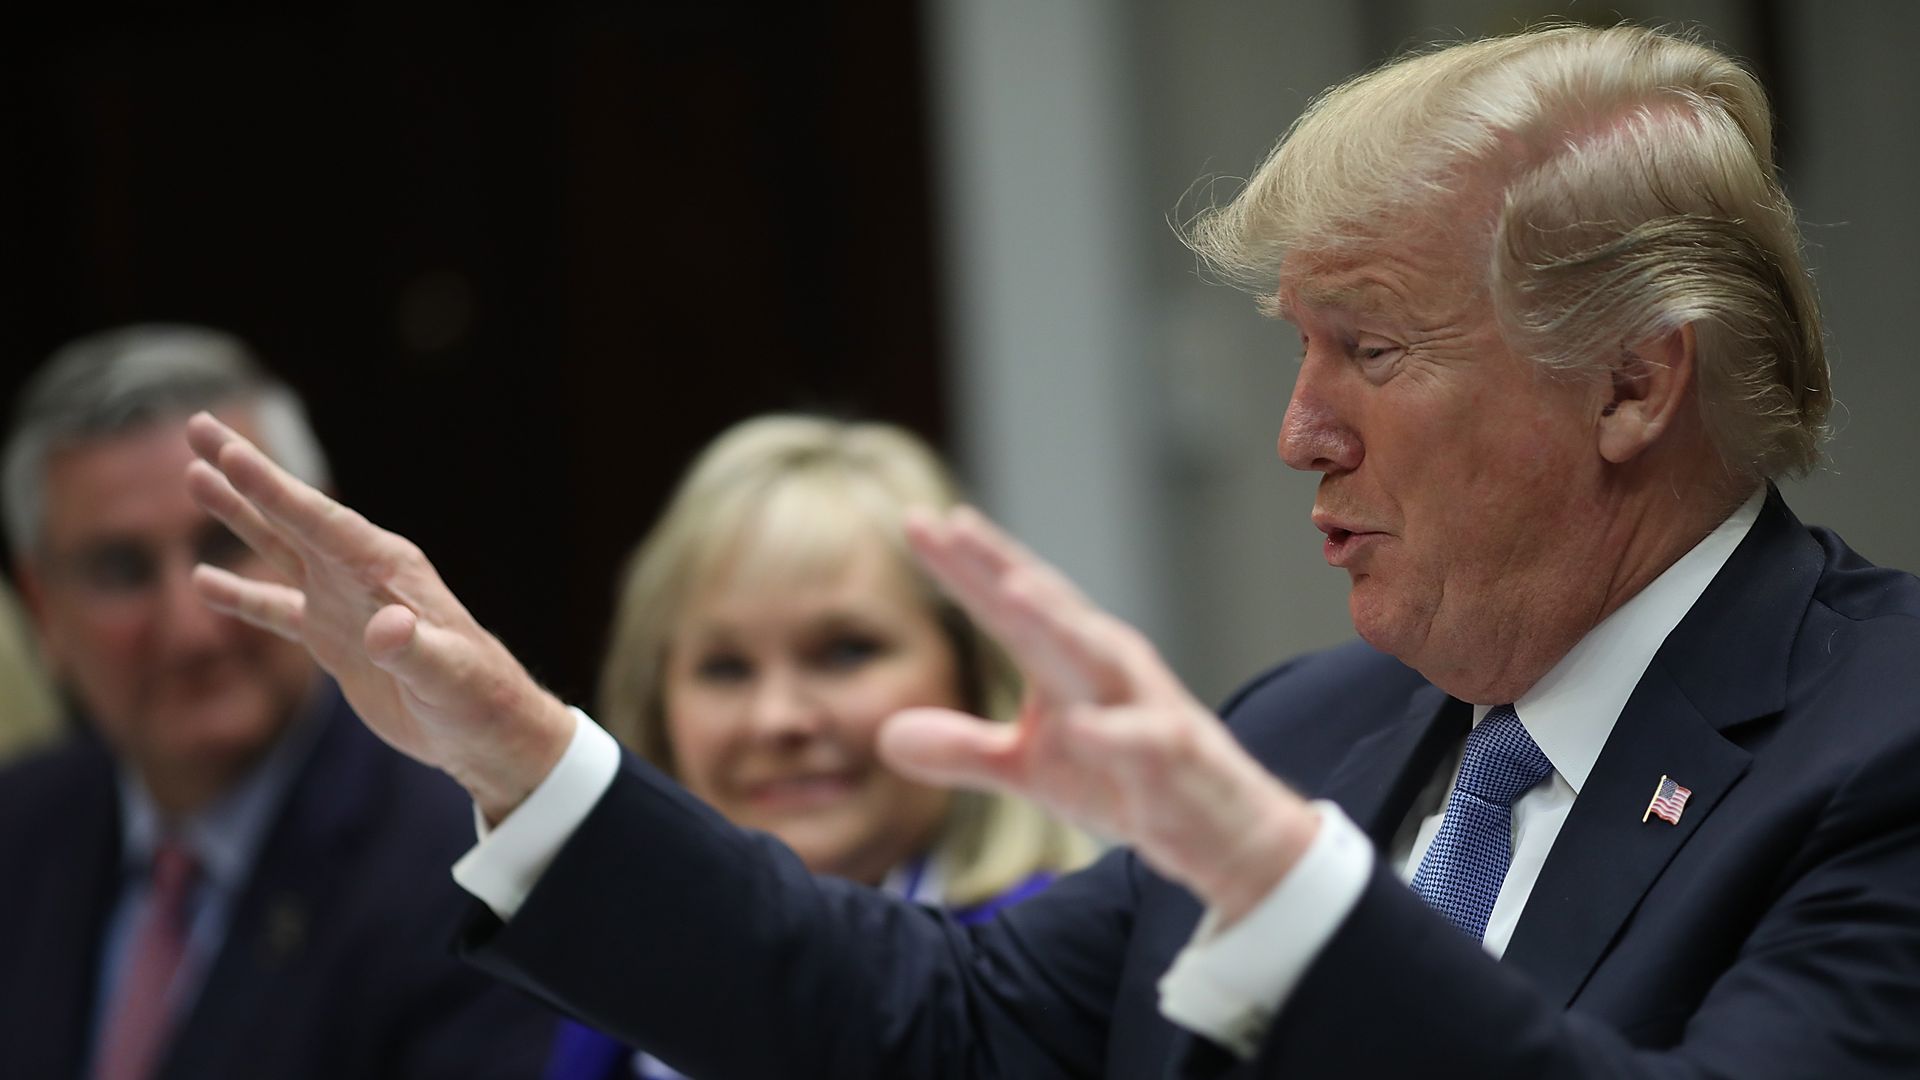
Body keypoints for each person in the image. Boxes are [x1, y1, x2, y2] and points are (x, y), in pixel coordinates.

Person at [182, 24, 1920, 1078]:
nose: (1299, 431)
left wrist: (1284, 890)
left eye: (1372, 353)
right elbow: (926, 1027)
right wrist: (521, 752)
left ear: (1633, 384)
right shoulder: (1315, 731)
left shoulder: (1880, 743)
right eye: (1295, 352)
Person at [0, 325, 558, 1079]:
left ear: (321, 546)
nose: (189, 630)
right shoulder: (23, 829)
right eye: (120, 568)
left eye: (226, 542)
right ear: (42, 610)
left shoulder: (467, 872)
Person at [545, 414, 1095, 1079]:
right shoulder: (606, 998)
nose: (778, 719)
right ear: (661, 708)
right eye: (725, 667)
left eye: (845, 651)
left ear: (974, 677)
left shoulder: (1071, 982)